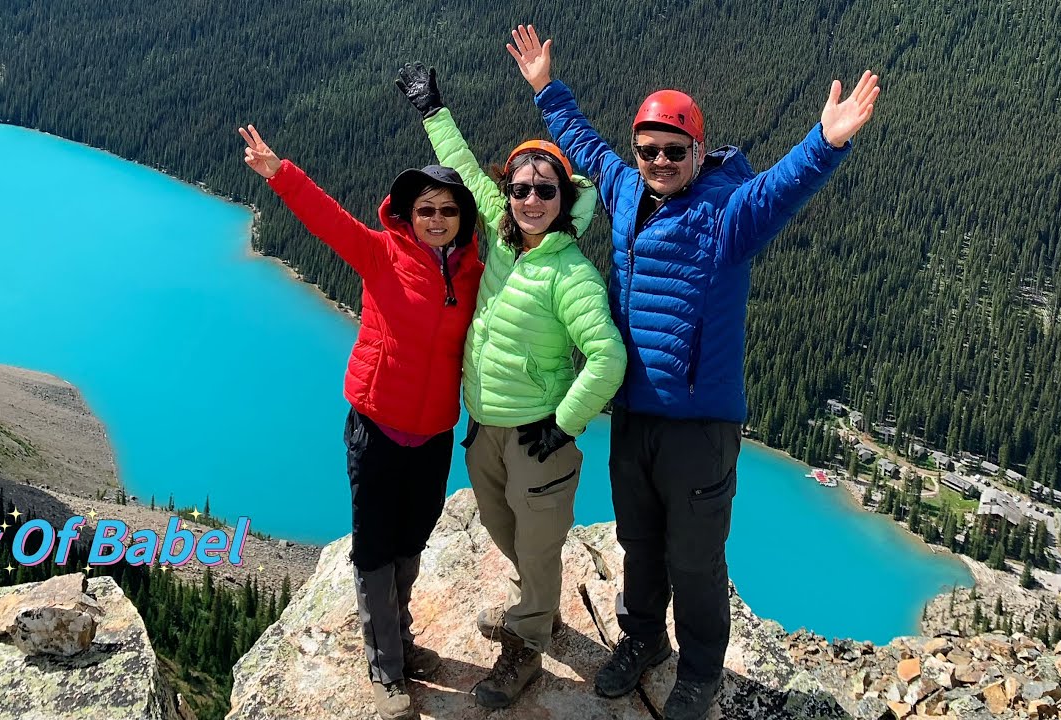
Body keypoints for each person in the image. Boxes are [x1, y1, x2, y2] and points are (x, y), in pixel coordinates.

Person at [505, 24, 881, 720]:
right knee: (638, 541)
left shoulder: (727, 216)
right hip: (635, 417)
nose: (658, 160)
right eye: (647, 149)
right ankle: (642, 640)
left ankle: (702, 669)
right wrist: (545, 89)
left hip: (701, 427)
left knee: (696, 560)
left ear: (698, 152)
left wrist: (825, 143)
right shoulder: (623, 191)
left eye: (674, 151)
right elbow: (584, 144)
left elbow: (780, 190)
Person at [396, 63, 627, 709]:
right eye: (521, 188)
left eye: (543, 191)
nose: (528, 200)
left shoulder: (571, 275)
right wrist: (432, 111)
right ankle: (538, 609)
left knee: (538, 539)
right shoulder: (501, 235)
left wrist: (564, 424)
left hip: (537, 438)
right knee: (503, 529)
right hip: (485, 430)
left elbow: (607, 359)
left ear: (564, 201)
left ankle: (526, 647)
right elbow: (467, 171)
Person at [238, 124, 484, 720]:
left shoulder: (477, 273)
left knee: (412, 540)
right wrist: (280, 173)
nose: (436, 218)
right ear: (406, 213)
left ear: (463, 217)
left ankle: (398, 638)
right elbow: (326, 219)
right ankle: (385, 667)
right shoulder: (380, 253)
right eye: (424, 208)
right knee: (374, 546)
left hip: (433, 433)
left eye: (449, 210)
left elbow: (538, 217)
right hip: (375, 427)